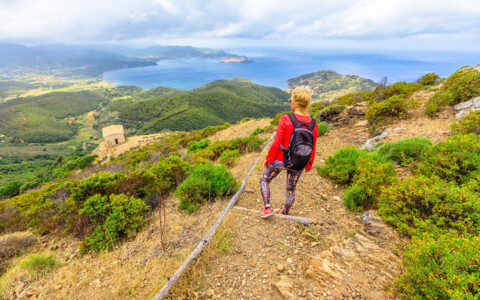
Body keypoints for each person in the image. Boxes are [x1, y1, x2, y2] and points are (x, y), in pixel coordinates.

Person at [260, 87, 318, 218]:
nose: (290, 102)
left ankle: (267, 208)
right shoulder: (313, 124)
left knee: (264, 179)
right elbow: (313, 147)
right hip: (299, 161)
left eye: (290, 100)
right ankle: (285, 212)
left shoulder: (286, 119)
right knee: (291, 189)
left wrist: (269, 160)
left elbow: (276, 144)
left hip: (281, 160)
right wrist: (308, 165)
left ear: (296, 104)